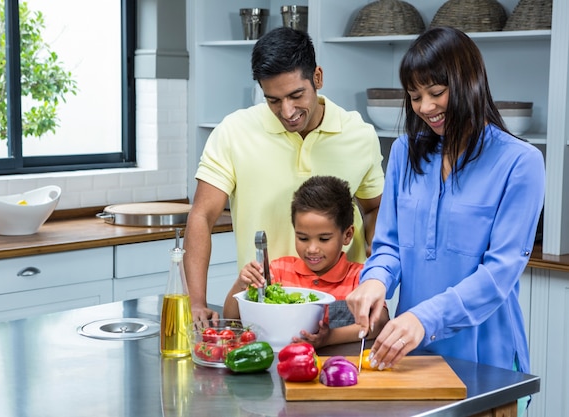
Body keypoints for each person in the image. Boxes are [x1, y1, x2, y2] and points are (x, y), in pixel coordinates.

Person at [345, 27, 544, 415]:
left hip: (487, 362)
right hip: (411, 352)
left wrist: (424, 317)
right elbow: (389, 246)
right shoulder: (405, 151)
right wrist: (374, 281)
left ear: (470, 82)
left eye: (437, 93)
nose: (425, 107)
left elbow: (499, 274)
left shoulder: (521, 162)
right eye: (415, 96)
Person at [184, 26, 385, 321]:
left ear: (317, 77)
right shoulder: (233, 132)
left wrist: (374, 264)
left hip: (339, 307)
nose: (287, 111)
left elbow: (374, 208)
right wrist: (197, 302)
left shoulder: (360, 134)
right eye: (273, 100)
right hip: (265, 301)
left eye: (296, 95)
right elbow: (202, 216)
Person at [223, 175, 389, 348]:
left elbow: (380, 322)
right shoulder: (278, 271)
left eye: (324, 239)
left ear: (347, 235)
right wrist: (241, 284)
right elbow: (232, 319)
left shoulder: (360, 277)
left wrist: (330, 337)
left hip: (339, 370)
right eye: (303, 238)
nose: (312, 249)